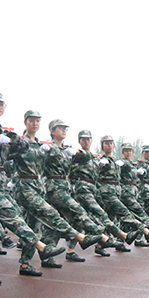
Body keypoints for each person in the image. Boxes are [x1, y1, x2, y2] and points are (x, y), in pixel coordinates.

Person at [0, 93, 67, 284]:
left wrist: (11, 138)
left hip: (0, 181)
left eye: (2, 104)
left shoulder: (6, 132)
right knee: (12, 212)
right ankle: (40, 246)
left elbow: (22, 148)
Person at [11, 111, 108, 268]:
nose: (63, 131)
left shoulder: (52, 147)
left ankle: (26, 263)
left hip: (43, 188)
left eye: (37, 120)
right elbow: (12, 159)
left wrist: (79, 152)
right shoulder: (35, 145)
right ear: (52, 131)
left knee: (37, 226)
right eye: (60, 128)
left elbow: (85, 159)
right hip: (44, 188)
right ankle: (93, 234)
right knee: (61, 213)